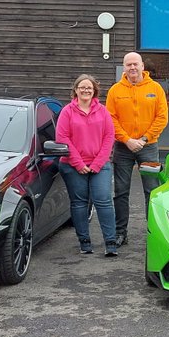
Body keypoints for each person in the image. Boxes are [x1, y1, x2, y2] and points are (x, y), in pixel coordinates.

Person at [106, 52, 168, 246]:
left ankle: (154, 232)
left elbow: (162, 117)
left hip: (148, 147)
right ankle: (120, 233)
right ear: (124, 68)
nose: (132, 68)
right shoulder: (115, 90)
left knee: (152, 190)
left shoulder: (155, 89)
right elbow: (111, 119)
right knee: (121, 191)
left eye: (135, 64)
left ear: (142, 66)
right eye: (128, 64)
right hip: (123, 148)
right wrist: (126, 139)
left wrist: (144, 138)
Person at [55, 74, 119, 256]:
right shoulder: (67, 111)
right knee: (79, 203)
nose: (85, 90)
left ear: (94, 91)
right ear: (75, 90)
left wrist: (98, 163)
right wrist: (78, 163)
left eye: (89, 87)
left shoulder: (103, 111)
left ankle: (110, 242)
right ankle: (84, 242)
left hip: (100, 165)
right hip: (73, 166)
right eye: (82, 87)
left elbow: (109, 137)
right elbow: (62, 138)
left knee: (103, 201)